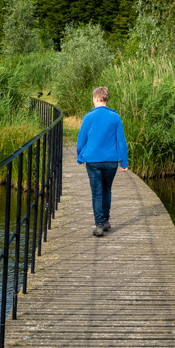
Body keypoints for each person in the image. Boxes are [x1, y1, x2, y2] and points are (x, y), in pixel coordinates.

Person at [75, 86, 129, 237]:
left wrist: (80, 156)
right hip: (111, 161)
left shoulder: (88, 117)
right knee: (107, 190)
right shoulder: (115, 117)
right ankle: (106, 221)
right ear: (106, 99)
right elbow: (121, 142)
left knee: (97, 192)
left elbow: (81, 140)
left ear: (96, 98)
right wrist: (124, 163)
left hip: (92, 160)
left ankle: (99, 225)